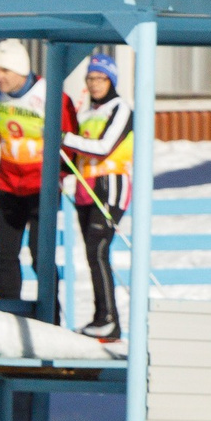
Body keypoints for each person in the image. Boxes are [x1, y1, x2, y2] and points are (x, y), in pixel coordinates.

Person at [61, 53, 133, 340]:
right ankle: (101, 316)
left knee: (98, 248)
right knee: (92, 254)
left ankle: (109, 318)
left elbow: (103, 147)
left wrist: (63, 137)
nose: (94, 84)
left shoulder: (120, 108)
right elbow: (76, 151)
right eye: (90, 78)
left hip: (110, 185)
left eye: (100, 78)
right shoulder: (86, 111)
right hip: (85, 188)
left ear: (111, 80)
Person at [0, 40, 50, 304]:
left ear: (21, 71)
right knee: (4, 251)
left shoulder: (47, 92)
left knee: (39, 252)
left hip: (41, 184)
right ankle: (10, 306)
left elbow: (68, 133)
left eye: (4, 71)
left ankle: (49, 311)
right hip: (9, 182)